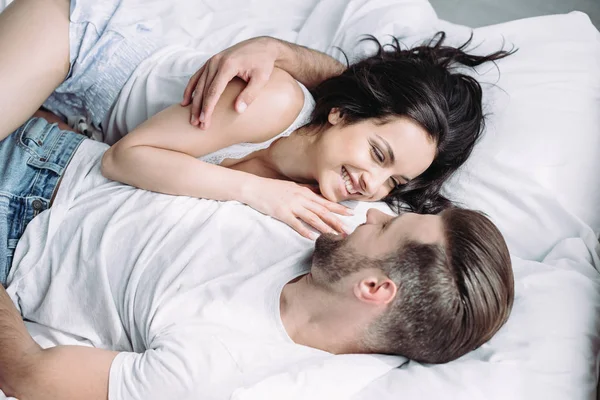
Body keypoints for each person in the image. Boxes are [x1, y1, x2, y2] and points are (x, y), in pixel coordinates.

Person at [0, 116, 513, 399]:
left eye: (389, 225)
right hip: (56, 151)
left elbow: (29, 373)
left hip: (12, 248)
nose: (375, 212)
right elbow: (360, 112)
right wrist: (273, 52)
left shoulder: (211, 369)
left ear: (375, 288)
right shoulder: (342, 225)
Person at [0, 0, 513, 239]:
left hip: (71, 114)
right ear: (340, 113)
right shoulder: (275, 103)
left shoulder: (314, 184)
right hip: (76, 37)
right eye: (379, 155)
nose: (371, 183)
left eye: (393, 180)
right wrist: (256, 192)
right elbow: (124, 159)